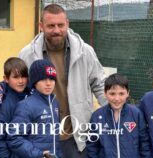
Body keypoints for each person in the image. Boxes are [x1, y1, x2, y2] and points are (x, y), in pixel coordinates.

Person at [19, 3, 107, 157]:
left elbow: (100, 85)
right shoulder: (27, 54)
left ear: (67, 24)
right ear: (41, 26)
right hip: (42, 138)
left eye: (60, 25)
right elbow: (19, 87)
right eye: (51, 26)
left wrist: (116, 111)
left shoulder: (85, 52)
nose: (56, 30)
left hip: (76, 135)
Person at [87, 73, 151, 158]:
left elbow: (144, 144)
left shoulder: (136, 114)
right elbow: (92, 146)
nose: (117, 99)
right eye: (112, 94)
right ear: (105, 93)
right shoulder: (97, 116)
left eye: (121, 93)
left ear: (128, 93)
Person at [8, 59, 62, 158]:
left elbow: (55, 139)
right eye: (43, 79)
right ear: (34, 82)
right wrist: (38, 155)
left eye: (51, 79)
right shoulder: (26, 106)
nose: (48, 83)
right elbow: (14, 138)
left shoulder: (55, 103)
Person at [0, 57, 30, 157]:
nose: (21, 81)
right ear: (6, 79)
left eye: (24, 76)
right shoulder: (5, 102)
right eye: (16, 77)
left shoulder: (32, 95)